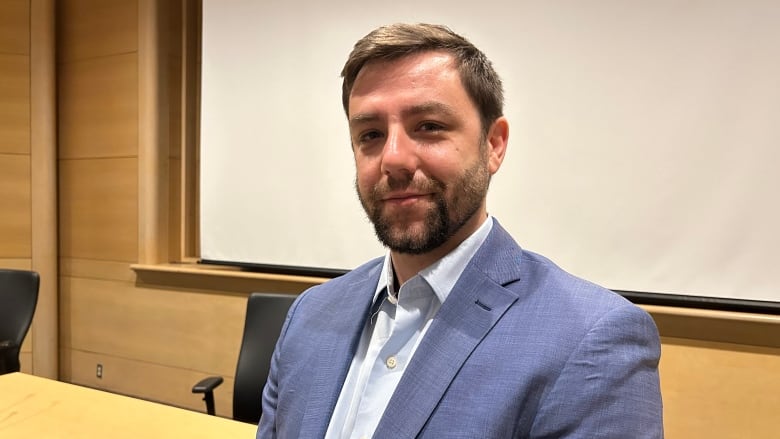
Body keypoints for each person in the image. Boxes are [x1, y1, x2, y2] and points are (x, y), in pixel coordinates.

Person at [257, 23, 663, 438]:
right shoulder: (309, 315)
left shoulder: (593, 340)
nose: (393, 158)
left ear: (493, 144)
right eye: (371, 135)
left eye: (429, 126)